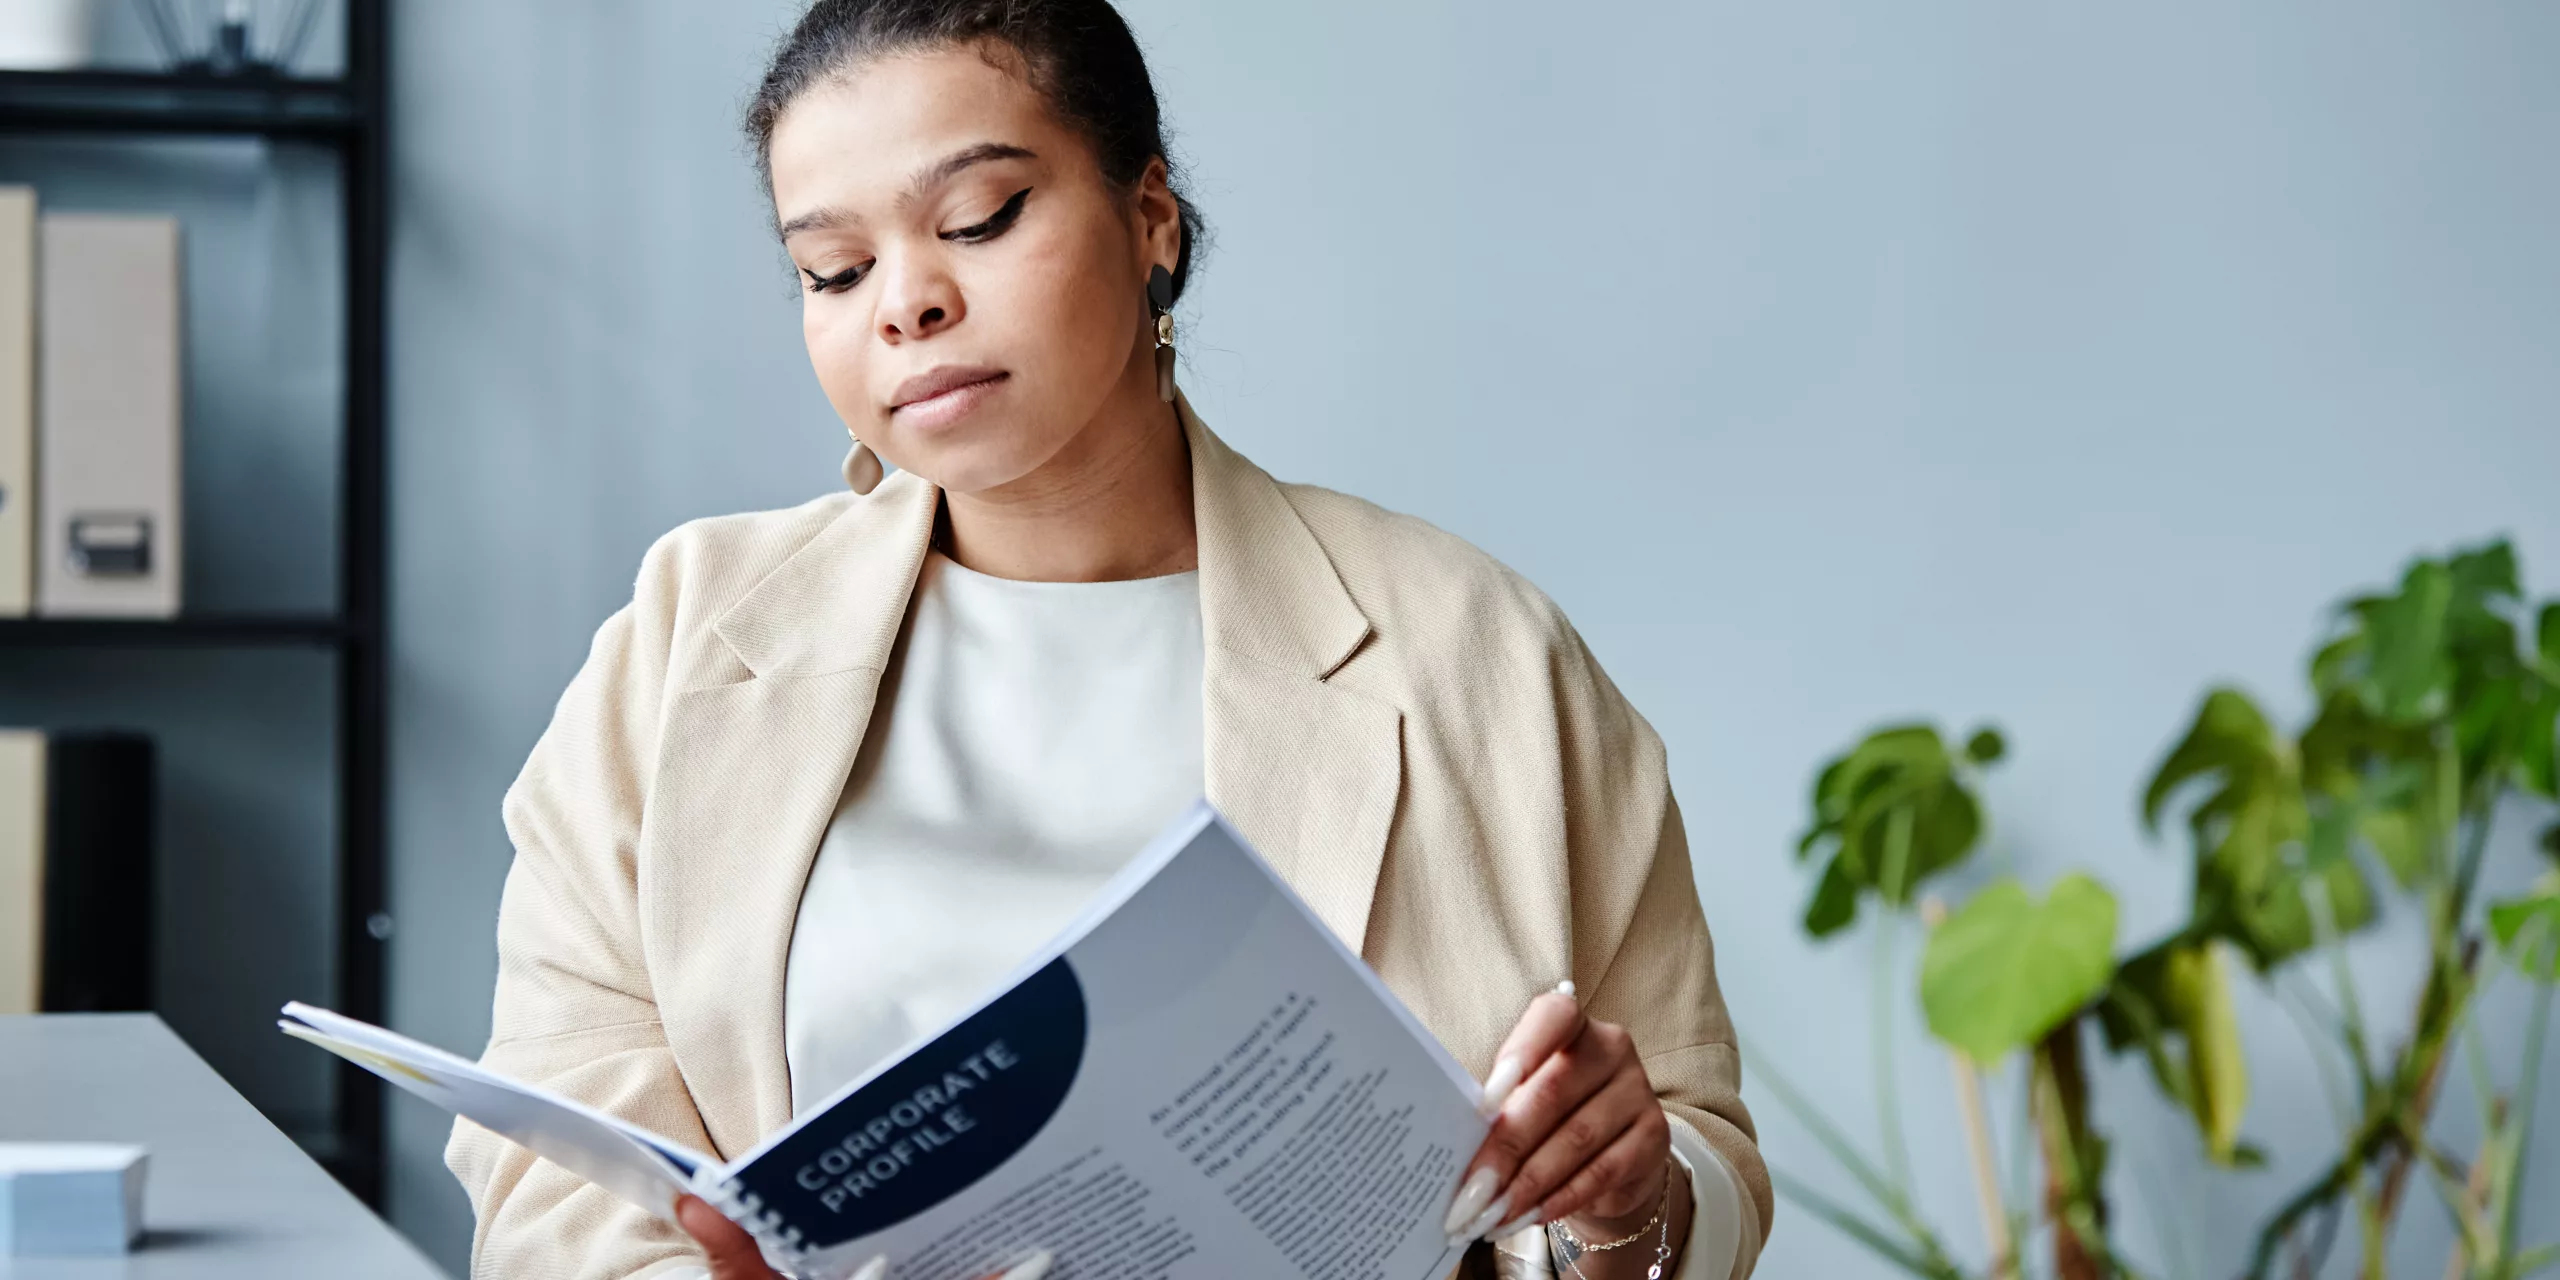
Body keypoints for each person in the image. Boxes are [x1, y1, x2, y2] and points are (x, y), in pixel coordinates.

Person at [444, 1, 1770, 1277]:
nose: (904, 303)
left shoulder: (1475, 651)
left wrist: (1626, 1207)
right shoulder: (688, 639)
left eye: (977, 219)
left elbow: (1694, 1162)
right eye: (833, 271)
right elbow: (547, 1158)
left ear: (1150, 218)